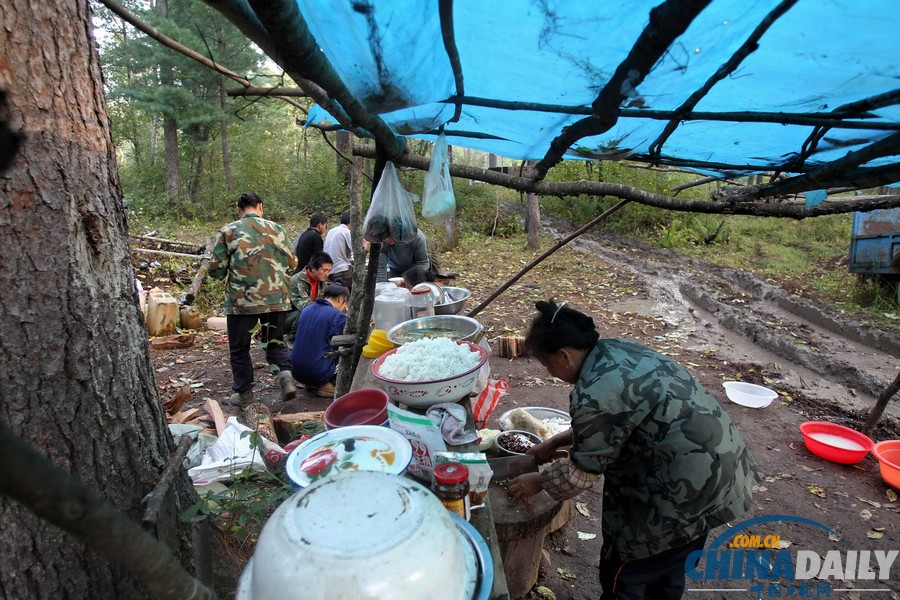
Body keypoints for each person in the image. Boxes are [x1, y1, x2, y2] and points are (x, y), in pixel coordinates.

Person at [508, 299, 760, 600]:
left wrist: (538, 481)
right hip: (721, 476)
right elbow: (617, 420)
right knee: (671, 568)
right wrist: (554, 442)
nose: (551, 373)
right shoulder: (618, 350)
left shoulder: (595, 394)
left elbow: (581, 474)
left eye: (548, 365)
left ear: (565, 355)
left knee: (627, 576)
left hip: (679, 495)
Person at [208, 192, 298, 408]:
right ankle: (285, 374)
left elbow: (216, 270)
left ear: (238, 210)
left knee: (240, 348)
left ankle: (244, 393)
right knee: (275, 341)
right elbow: (293, 263)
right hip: (277, 297)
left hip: (243, 301)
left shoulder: (228, 231)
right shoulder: (278, 229)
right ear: (260, 207)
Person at [290, 283, 349, 398]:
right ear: (341, 299)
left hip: (295, 371)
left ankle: (311, 383)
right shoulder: (338, 316)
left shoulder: (306, 310)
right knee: (349, 351)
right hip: (318, 373)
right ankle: (329, 385)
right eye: (345, 304)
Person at [286, 251, 332, 335]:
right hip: (291, 318)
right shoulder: (296, 280)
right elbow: (306, 306)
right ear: (313, 268)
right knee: (307, 312)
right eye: (325, 270)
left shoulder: (322, 281)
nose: (327, 274)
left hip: (311, 315)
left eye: (329, 271)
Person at [323, 210, 354, 291]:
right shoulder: (347, 232)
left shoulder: (332, 230)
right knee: (361, 278)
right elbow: (358, 251)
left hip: (328, 269)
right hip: (340, 270)